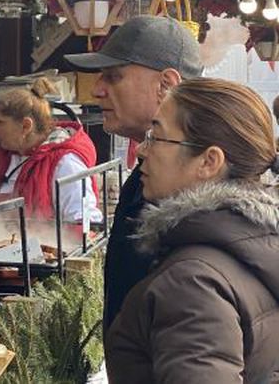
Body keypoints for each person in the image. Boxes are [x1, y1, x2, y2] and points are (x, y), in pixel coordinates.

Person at [105, 78, 279, 383]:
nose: (143, 150)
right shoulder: (254, 244)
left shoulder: (192, 282)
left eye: (157, 137)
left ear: (209, 161)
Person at [63, 15, 202, 333]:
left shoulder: (191, 183)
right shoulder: (156, 171)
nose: (97, 90)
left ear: (166, 84)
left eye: (113, 77)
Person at [0, 78, 102, 229]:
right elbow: (0, 218)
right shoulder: (6, 158)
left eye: (0, 122)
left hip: (45, 244)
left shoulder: (65, 163)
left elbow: (86, 224)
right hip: (4, 242)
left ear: (26, 126)